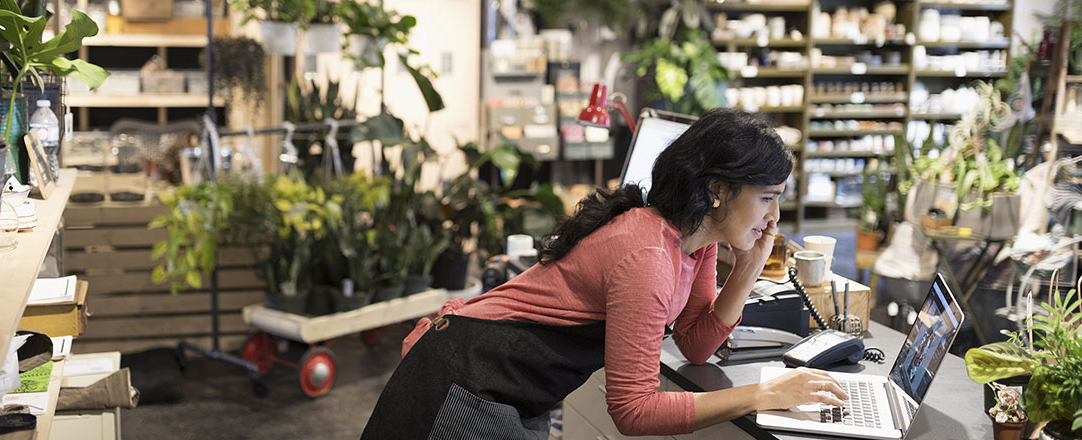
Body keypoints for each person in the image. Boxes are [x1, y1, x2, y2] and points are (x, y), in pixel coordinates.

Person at [361, 108, 849, 439]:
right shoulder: (649, 256)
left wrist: (746, 270)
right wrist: (763, 394)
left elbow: (696, 344)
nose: (775, 217)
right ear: (717, 190)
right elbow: (633, 411)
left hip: (505, 383)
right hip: (466, 382)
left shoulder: (692, 240)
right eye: (768, 197)